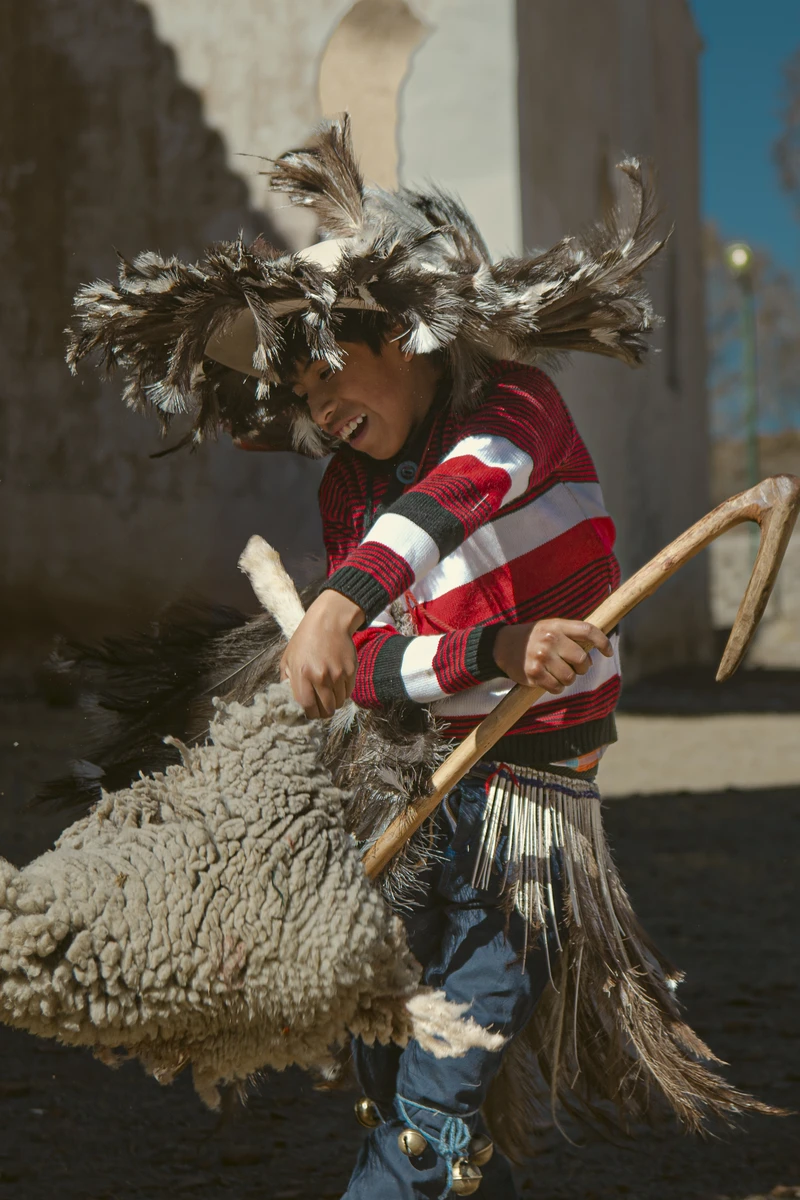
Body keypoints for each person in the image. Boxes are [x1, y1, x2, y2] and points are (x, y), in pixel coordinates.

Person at [68, 116, 768, 1200]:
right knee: (384, 1007)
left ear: (403, 338)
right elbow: (374, 666)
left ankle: (410, 1164)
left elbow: (454, 502)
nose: (318, 404)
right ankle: (415, 1134)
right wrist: (483, 645)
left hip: (530, 786)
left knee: (470, 1003)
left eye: (328, 371)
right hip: (413, 767)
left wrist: (336, 608)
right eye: (299, 395)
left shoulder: (513, 411)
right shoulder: (347, 491)